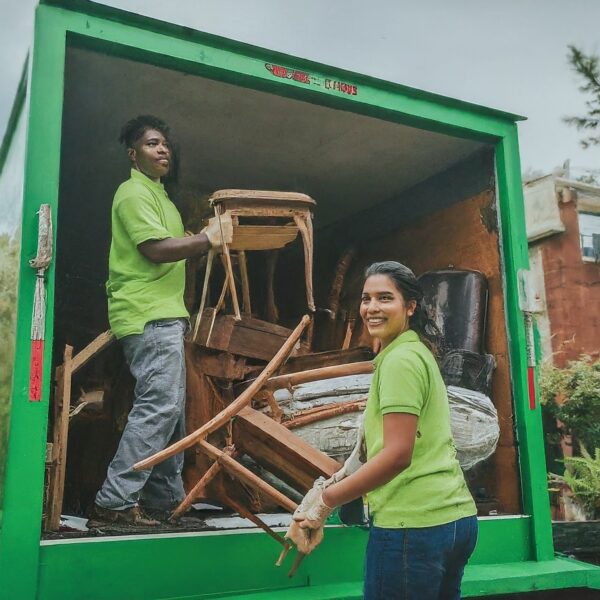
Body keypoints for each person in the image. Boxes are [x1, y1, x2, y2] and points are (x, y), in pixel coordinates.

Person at [293, 261, 478, 600]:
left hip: (414, 526)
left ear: (410, 306)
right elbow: (370, 450)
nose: (372, 308)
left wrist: (327, 502)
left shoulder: (399, 362)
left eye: (384, 298)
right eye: (366, 299)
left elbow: (396, 456)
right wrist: (323, 491)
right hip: (454, 518)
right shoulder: (413, 352)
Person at [90, 115, 232, 526]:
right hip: (147, 315)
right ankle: (114, 502)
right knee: (160, 407)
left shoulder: (162, 199)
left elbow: (170, 244)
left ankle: (163, 503)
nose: (163, 149)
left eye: (165, 144)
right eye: (153, 144)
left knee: (172, 415)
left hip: (164, 317)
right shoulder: (132, 193)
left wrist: (202, 236)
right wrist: (207, 238)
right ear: (133, 155)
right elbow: (154, 249)